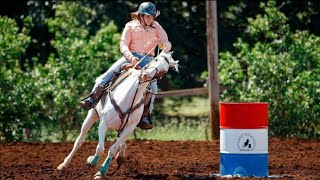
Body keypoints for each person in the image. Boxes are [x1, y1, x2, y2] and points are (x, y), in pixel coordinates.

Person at [80, 2, 172, 130]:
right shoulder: (130, 26)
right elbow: (123, 45)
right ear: (140, 16)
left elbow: (168, 43)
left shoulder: (156, 27)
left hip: (149, 61)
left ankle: (145, 115)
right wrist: (131, 58)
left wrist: (162, 45)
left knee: (153, 88)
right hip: (129, 57)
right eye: (147, 16)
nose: (150, 18)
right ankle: (92, 98)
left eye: (152, 16)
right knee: (107, 75)